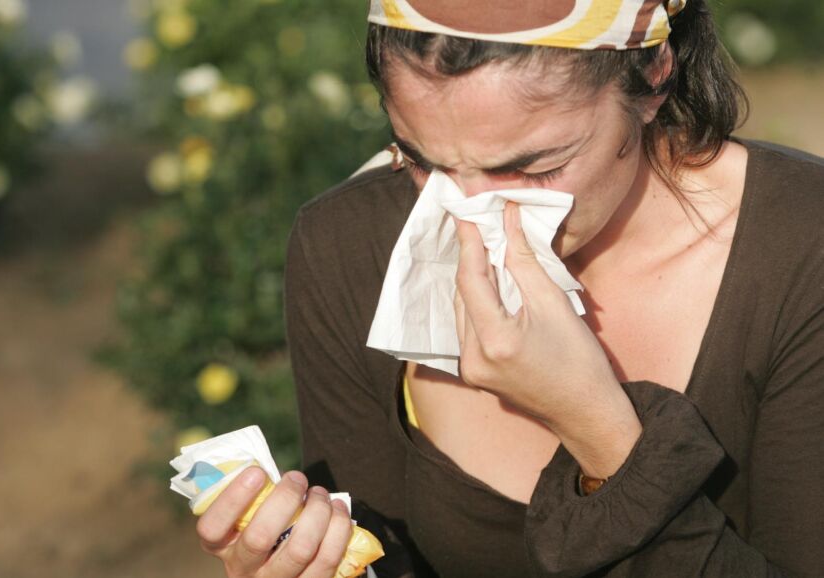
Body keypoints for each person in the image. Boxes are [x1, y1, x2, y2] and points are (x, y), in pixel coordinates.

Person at [195, 0, 824, 576]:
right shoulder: (348, 245)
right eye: (422, 160)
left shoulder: (801, 253)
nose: (472, 213)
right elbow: (386, 551)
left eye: (534, 167)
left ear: (655, 73)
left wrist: (599, 431)